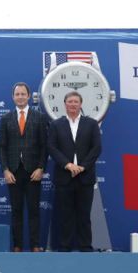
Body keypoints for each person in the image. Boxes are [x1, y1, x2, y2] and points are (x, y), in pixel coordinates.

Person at [47, 91, 102, 252]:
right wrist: (69, 166)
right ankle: (65, 248)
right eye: (70, 101)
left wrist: (82, 166)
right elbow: (52, 148)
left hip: (85, 177)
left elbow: (96, 148)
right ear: (65, 104)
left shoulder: (91, 123)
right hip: (64, 177)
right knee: (65, 216)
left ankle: (85, 248)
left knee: (84, 217)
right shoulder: (56, 124)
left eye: (76, 102)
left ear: (80, 104)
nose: (73, 104)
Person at [0, 82, 48, 252]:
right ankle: (18, 245)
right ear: (13, 97)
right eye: (17, 94)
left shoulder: (39, 117)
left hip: (33, 171)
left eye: (23, 94)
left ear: (28, 96)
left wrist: (41, 168)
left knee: (34, 210)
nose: (20, 97)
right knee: (16, 210)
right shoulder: (6, 118)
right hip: (13, 171)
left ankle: (34, 245)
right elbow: (2, 147)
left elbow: (44, 146)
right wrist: (5, 170)